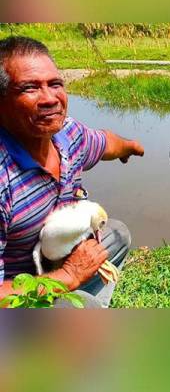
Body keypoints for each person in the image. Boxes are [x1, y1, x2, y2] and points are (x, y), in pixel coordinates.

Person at [0, 36, 144, 307]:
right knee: (80, 305)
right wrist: (67, 276)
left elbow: (105, 143)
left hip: (50, 264)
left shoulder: (68, 135)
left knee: (117, 235)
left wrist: (130, 147)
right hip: (15, 291)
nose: (50, 99)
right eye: (29, 88)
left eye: (55, 84)